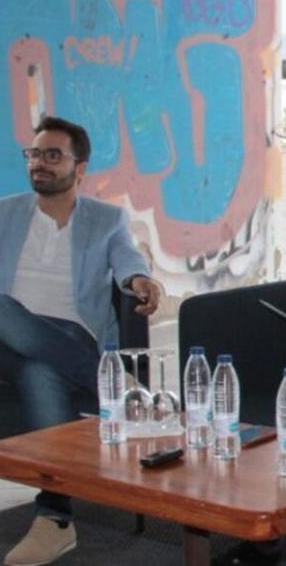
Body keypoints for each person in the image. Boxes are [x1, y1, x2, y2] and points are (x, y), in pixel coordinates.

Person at [0, 116, 162, 566]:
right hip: (4, 340)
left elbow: (127, 255)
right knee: (2, 310)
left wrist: (141, 278)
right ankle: (115, 388)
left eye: (53, 155)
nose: (40, 164)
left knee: (40, 372)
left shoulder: (106, 219)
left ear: (80, 167)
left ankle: (55, 519)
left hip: (70, 333)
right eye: (34, 155)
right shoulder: (4, 212)